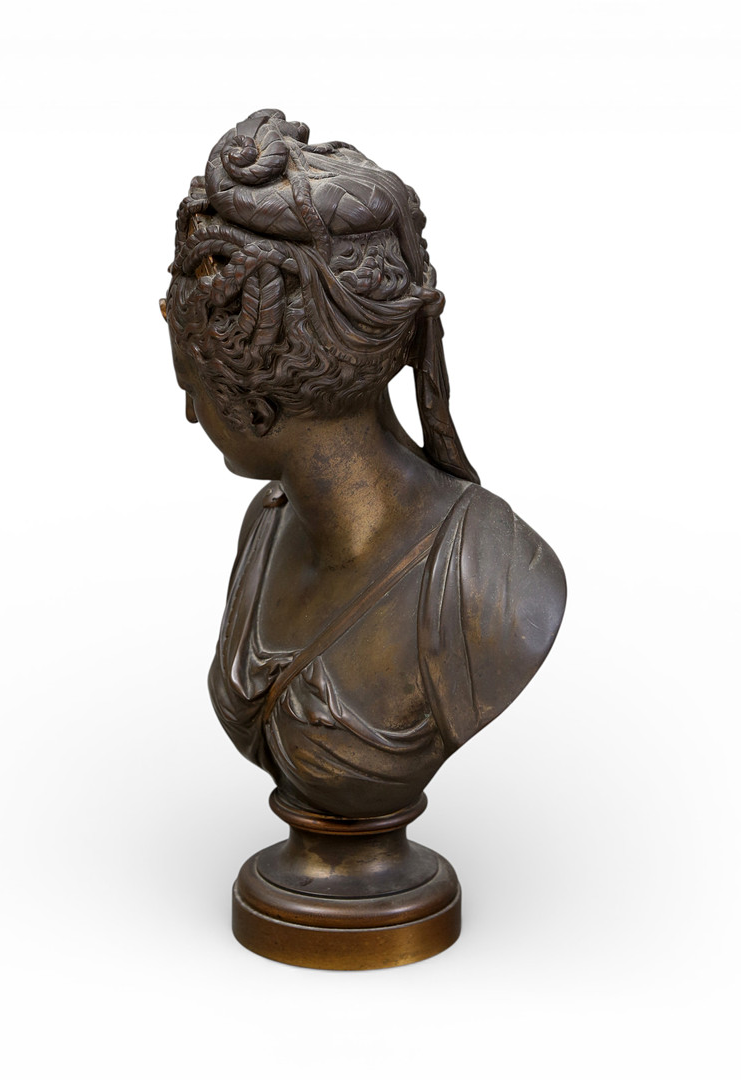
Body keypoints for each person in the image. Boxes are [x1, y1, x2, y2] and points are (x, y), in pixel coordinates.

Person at [162, 110, 565, 818]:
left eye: (193, 388)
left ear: (256, 399)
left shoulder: (490, 582)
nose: (192, 415)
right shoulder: (267, 524)